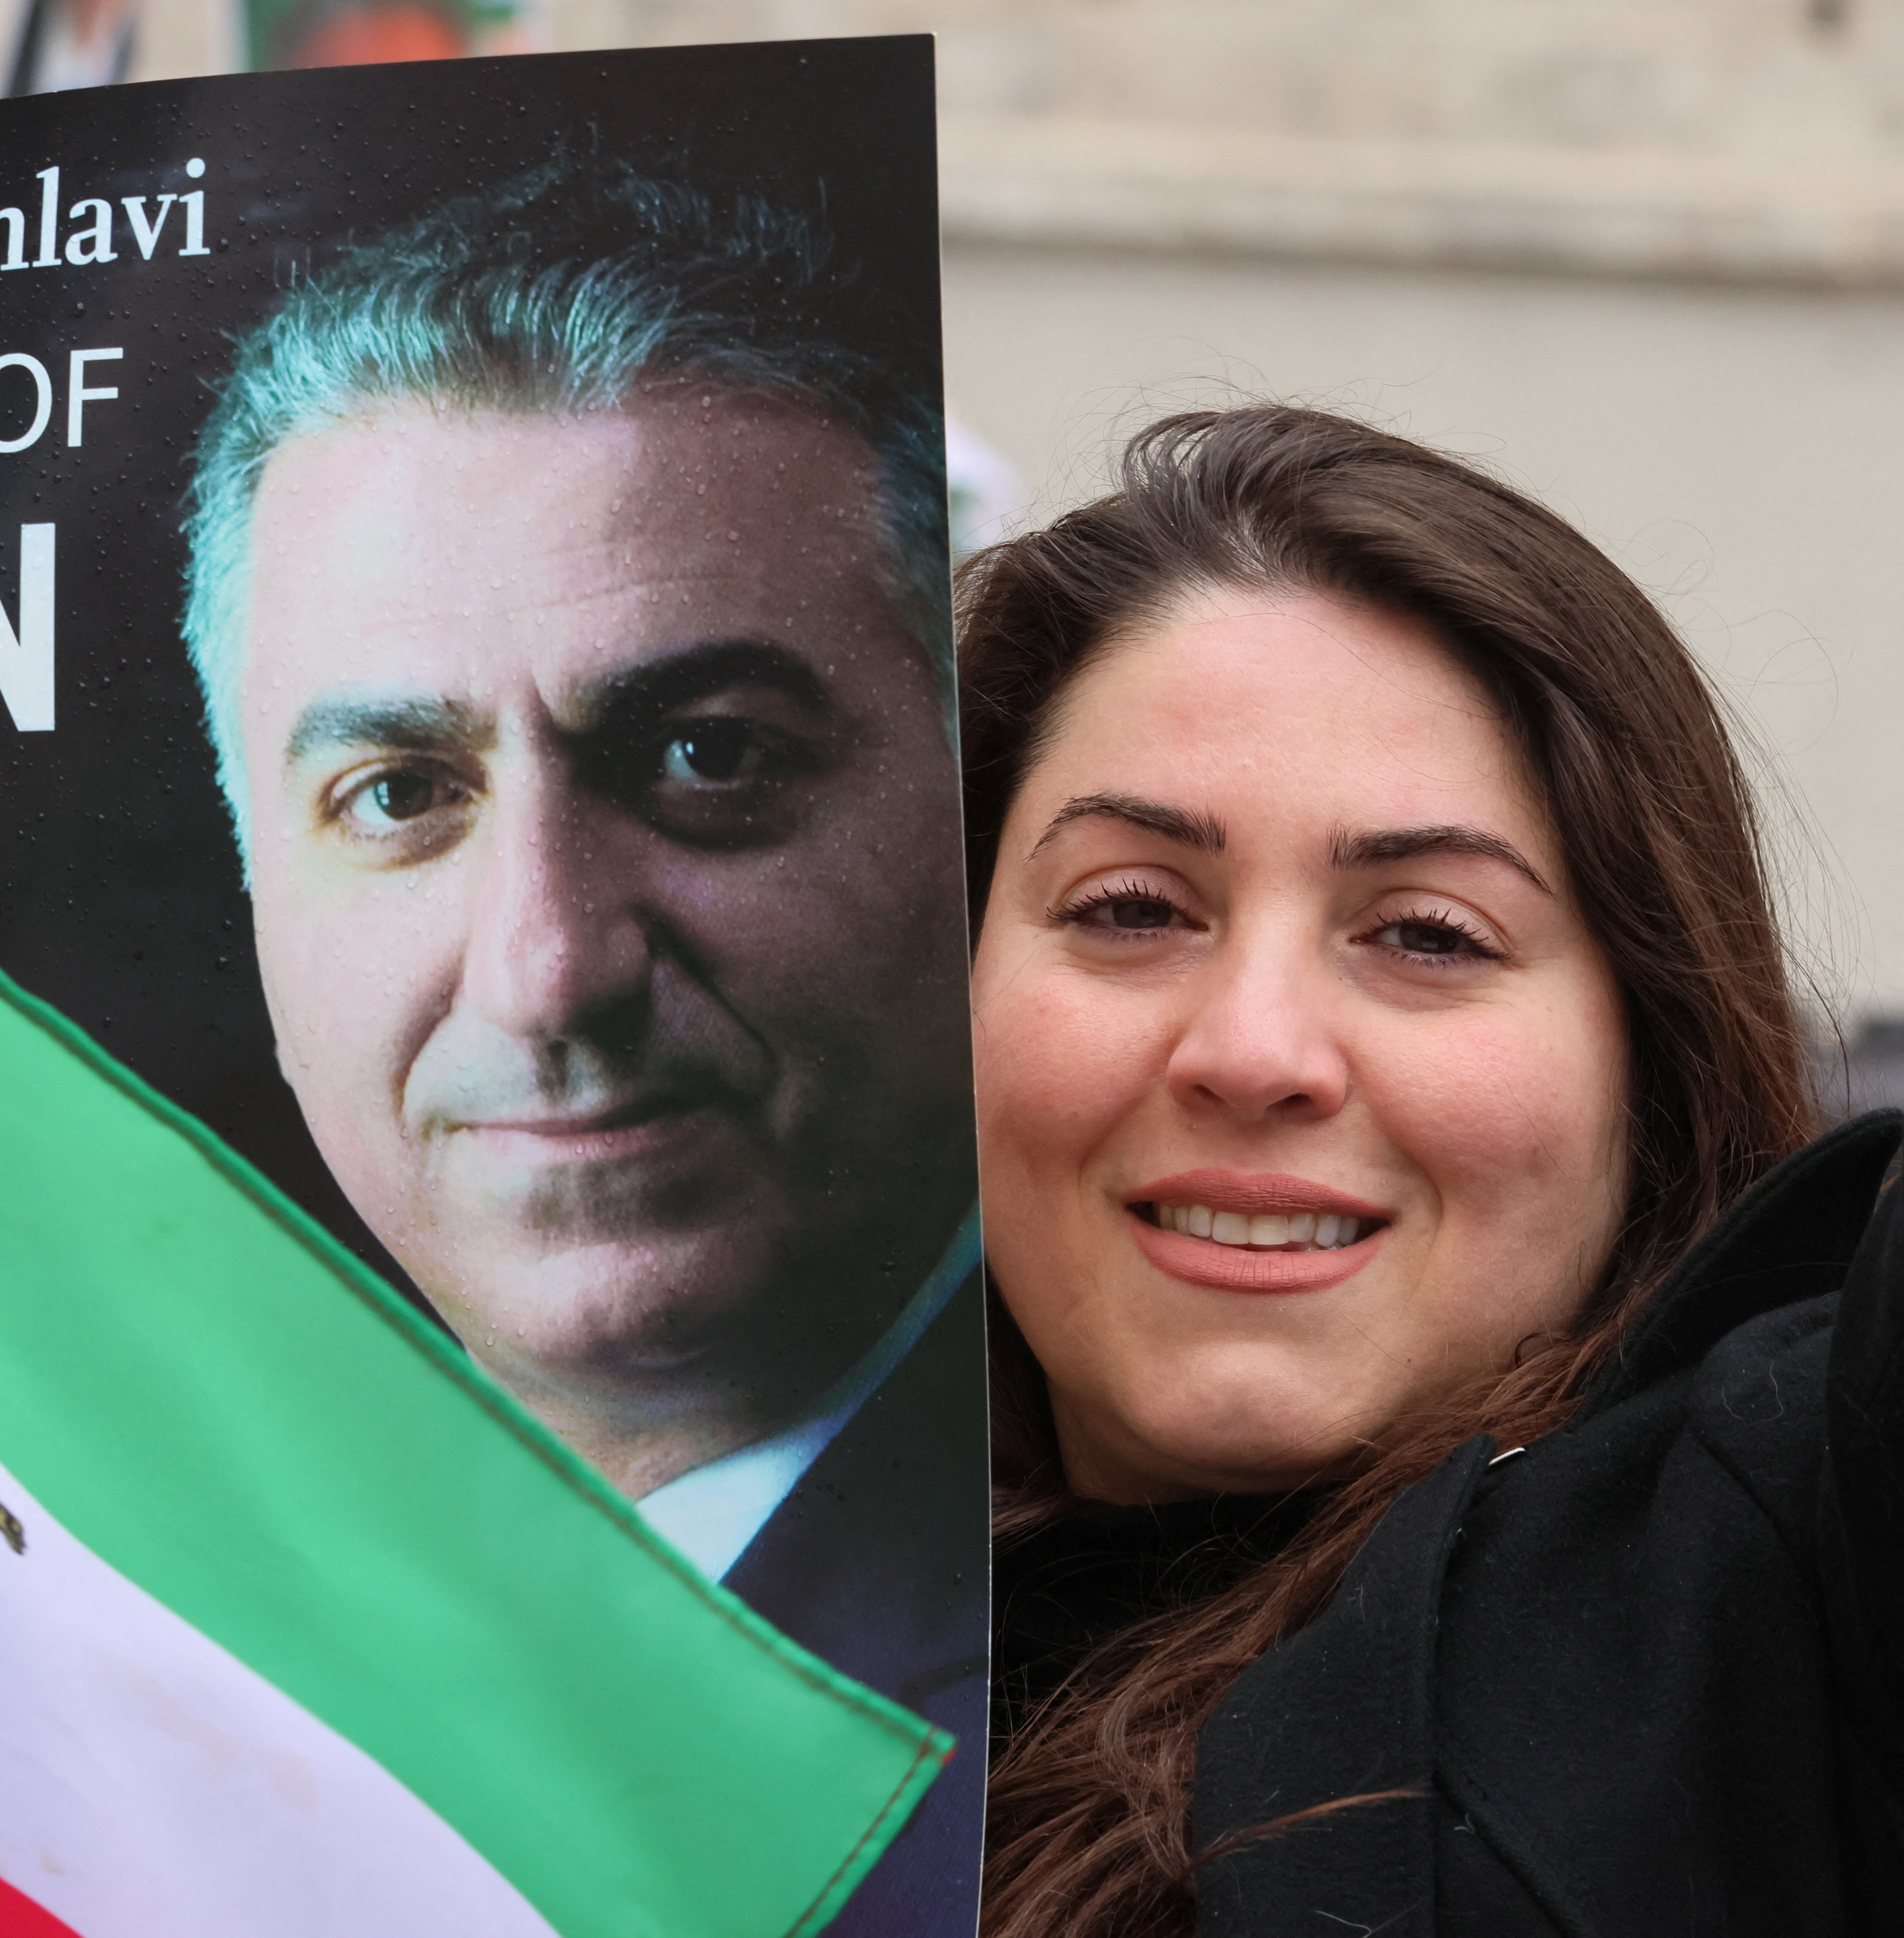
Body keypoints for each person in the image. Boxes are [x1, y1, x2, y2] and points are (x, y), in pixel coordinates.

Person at [962, 404, 1901, 1934]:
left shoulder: (1786, 1571)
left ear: (1641, 1072)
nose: (1253, 1049)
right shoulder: (632, 1667)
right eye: (1132, 907)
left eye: (1425, 933)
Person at [180, 159, 988, 1925]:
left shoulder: (1244, 1669)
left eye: (707, 756)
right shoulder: (124, 1627)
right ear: (256, 887)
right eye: (396, 793)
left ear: (968, 799)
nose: (547, 969)